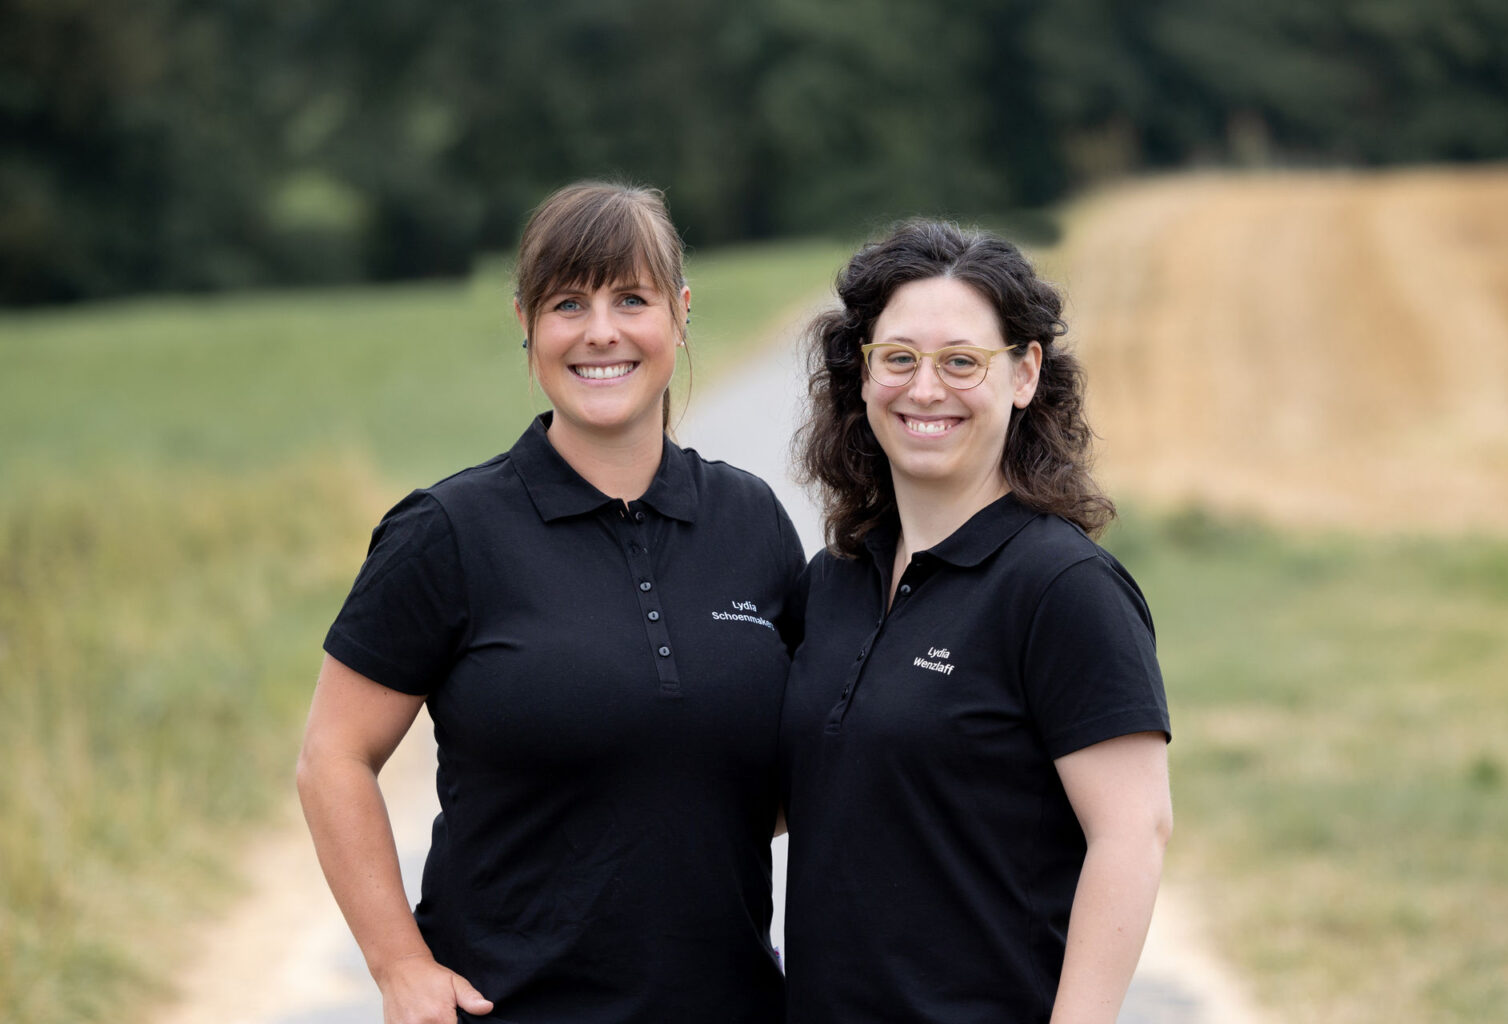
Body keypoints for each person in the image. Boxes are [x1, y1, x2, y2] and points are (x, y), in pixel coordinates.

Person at [296, 182, 804, 1024]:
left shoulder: (752, 521)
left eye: (631, 299)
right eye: (569, 303)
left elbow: (802, 762)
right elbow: (332, 758)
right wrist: (398, 966)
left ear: (680, 314)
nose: (601, 331)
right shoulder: (447, 532)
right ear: (526, 325)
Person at [780, 220, 1172, 1023]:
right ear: (863, 373)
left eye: (961, 361)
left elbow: (1132, 834)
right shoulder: (833, 581)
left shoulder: (1063, 588)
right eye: (899, 358)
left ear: (1024, 373)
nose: (925, 390)